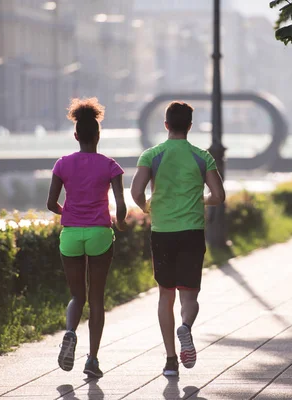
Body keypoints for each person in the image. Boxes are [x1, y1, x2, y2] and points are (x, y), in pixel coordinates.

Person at [130, 101, 226, 377]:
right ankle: (186, 326)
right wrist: (202, 200)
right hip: (192, 232)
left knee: (165, 294)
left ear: (166, 125)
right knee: (190, 294)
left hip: (162, 232)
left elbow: (136, 192)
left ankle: (171, 360)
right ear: (190, 126)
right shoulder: (202, 157)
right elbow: (218, 196)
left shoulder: (152, 155)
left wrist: (148, 205)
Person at [47, 97, 128, 379]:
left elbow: (50, 203)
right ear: (98, 136)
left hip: (70, 234)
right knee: (96, 298)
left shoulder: (63, 164)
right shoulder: (110, 166)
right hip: (99, 234)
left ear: (76, 135)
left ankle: (69, 332)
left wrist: (67, 213)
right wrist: (121, 223)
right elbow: (120, 205)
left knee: (76, 295)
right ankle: (92, 360)